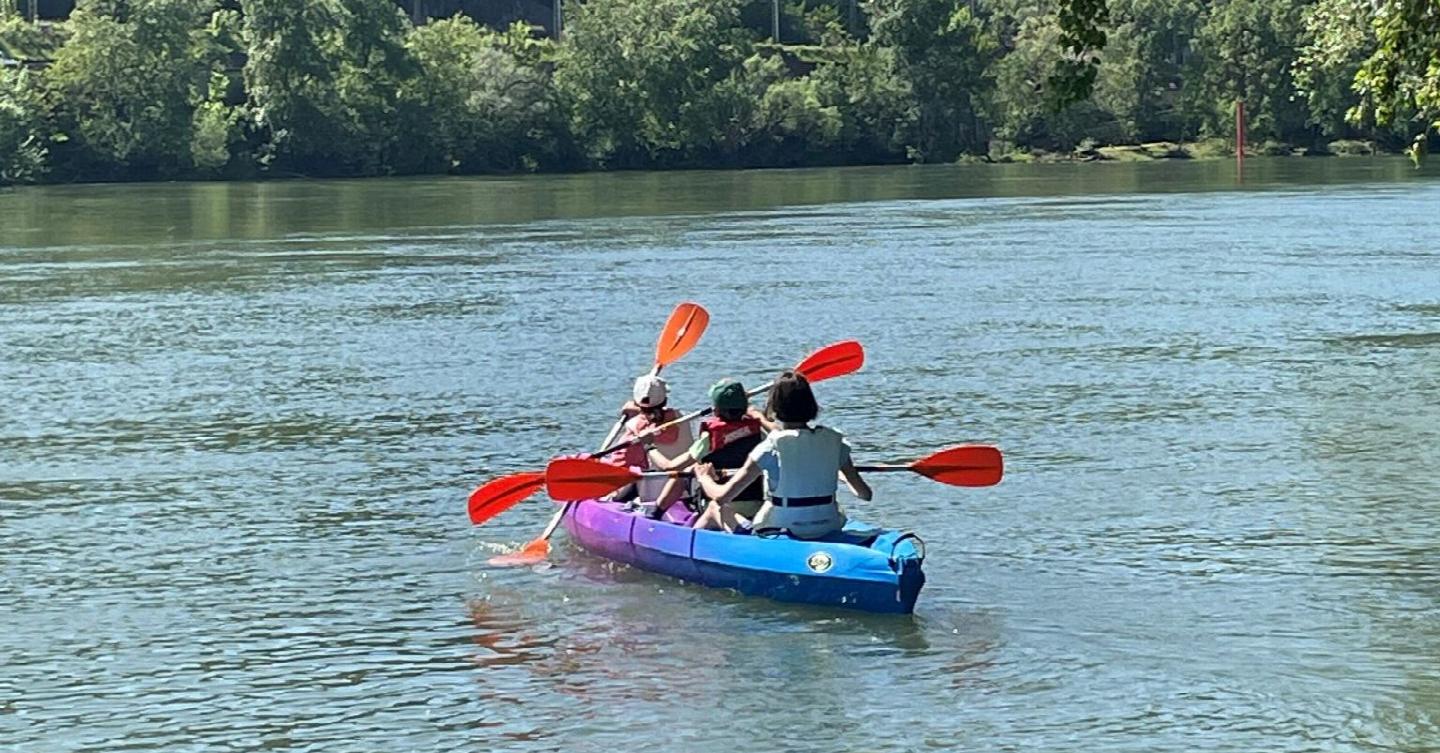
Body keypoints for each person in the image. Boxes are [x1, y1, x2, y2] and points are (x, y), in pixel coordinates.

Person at [694, 369, 872, 539]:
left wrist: (704, 478)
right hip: (829, 525)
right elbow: (865, 494)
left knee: (716, 507)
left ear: (775, 408)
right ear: (811, 405)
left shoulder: (769, 447)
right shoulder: (834, 441)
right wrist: (843, 474)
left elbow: (722, 496)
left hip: (782, 529)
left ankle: (687, 550)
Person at [643, 378, 767, 520]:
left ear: (715, 410)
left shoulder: (710, 438)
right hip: (756, 506)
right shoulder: (759, 433)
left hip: (718, 505)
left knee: (688, 469)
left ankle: (655, 513)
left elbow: (670, 467)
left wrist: (649, 446)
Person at [607, 374, 693, 502]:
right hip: (689, 484)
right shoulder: (681, 417)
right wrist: (639, 409)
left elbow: (620, 462)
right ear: (665, 400)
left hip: (656, 488)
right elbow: (659, 416)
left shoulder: (635, 427)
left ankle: (614, 500)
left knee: (633, 478)